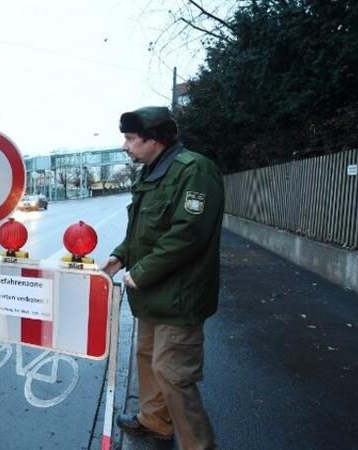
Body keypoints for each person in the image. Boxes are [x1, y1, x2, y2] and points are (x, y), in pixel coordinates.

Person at [101, 107, 223, 450]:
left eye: (130, 138)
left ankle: (199, 445)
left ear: (154, 139)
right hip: (153, 294)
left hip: (180, 296)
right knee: (147, 357)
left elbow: (189, 234)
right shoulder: (152, 172)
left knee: (174, 374)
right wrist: (121, 256)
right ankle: (155, 421)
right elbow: (142, 229)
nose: (125, 146)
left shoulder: (194, 170)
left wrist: (141, 272)